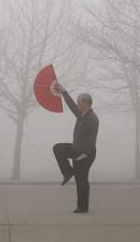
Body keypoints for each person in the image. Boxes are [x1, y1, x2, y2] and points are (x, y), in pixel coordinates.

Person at [52, 83, 99, 214]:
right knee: (58, 148)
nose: (77, 104)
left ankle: (83, 207)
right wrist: (63, 92)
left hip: (86, 153)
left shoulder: (92, 119)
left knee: (82, 179)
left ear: (85, 102)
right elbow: (72, 106)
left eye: (79, 102)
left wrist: (84, 155)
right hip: (76, 149)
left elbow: (91, 140)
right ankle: (67, 172)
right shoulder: (81, 114)